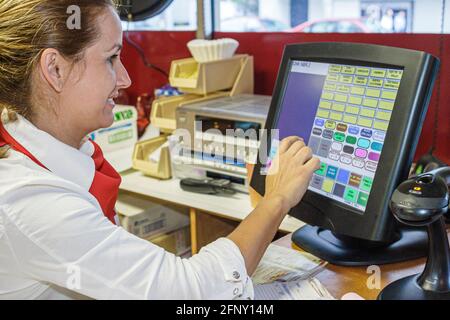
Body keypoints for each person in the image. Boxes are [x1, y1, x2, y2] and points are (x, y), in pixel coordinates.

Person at [0, 0, 319, 300]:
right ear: (54, 70)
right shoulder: (29, 200)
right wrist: (277, 199)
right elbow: (194, 293)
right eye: (111, 58)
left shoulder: (46, 151)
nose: (124, 78)